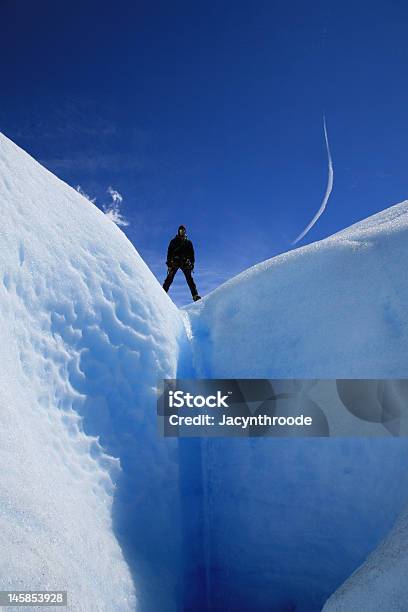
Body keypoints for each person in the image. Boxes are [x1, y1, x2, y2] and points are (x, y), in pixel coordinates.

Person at [163, 225, 201, 301]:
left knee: (190, 279)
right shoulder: (173, 241)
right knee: (169, 278)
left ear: (185, 231)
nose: (182, 232)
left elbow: (192, 254)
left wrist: (192, 264)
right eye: (180, 231)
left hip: (185, 262)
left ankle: (195, 295)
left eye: (183, 231)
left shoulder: (188, 242)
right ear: (178, 231)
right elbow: (169, 253)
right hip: (175, 262)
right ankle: (162, 293)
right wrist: (169, 264)